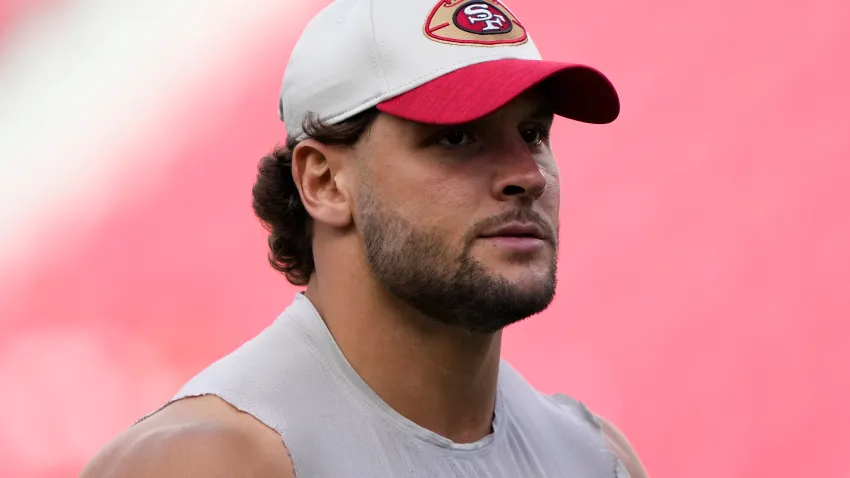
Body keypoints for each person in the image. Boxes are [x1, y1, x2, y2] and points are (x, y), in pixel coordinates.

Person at [81, 0, 648, 476]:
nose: (527, 175)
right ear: (324, 182)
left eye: (534, 133)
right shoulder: (205, 462)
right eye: (456, 139)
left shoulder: (596, 459)